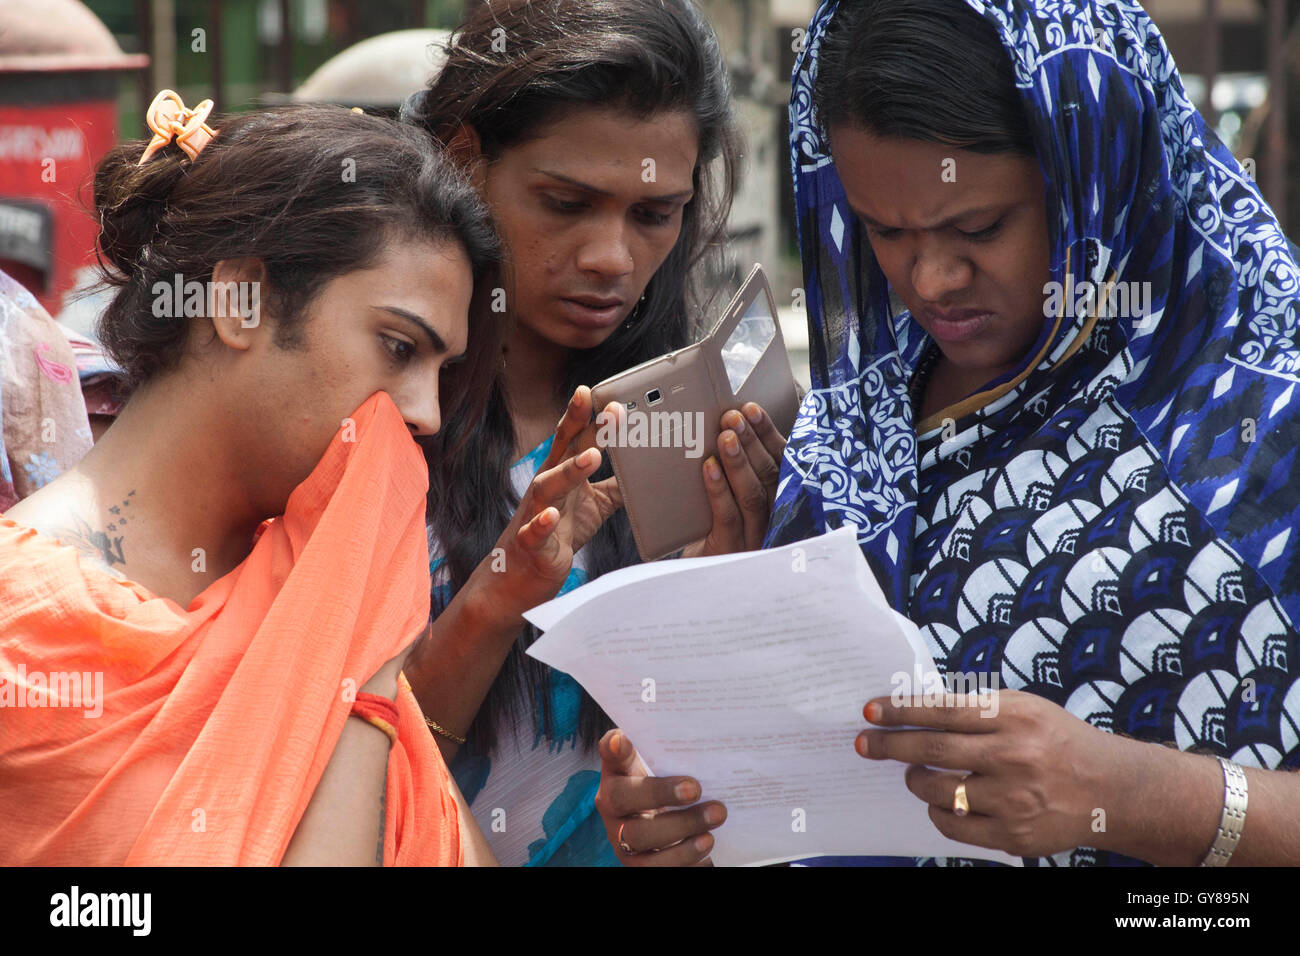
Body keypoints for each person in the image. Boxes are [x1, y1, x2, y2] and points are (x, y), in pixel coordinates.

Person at [599, 0, 1300, 867]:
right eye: (885, 231)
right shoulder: (852, 419)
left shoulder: (1267, 412)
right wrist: (683, 791)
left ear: (1096, 176)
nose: (930, 279)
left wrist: (1126, 795)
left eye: (980, 227)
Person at [0, 93, 500, 865]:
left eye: (444, 371)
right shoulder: (24, 625)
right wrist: (359, 662)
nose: (426, 413)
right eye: (399, 348)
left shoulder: (318, 583)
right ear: (240, 303)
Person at [399, 0, 784, 866]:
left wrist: (726, 585)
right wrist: (498, 595)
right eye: (567, 203)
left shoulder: (694, 423)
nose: (612, 256)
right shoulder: (380, 413)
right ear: (465, 162)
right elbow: (353, 761)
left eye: (655, 214)